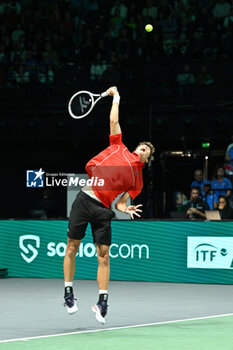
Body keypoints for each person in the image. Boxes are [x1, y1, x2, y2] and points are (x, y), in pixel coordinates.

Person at [63, 86, 155, 324]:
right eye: (143, 145)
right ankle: (68, 293)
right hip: (84, 199)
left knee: (103, 257)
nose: (145, 148)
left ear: (147, 158)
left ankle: (102, 302)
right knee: (71, 247)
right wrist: (116, 98)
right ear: (137, 148)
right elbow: (113, 119)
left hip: (103, 210)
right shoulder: (119, 147)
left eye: (149, 150)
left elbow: (122, 202)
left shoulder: (138, 181)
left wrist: (126, 209)